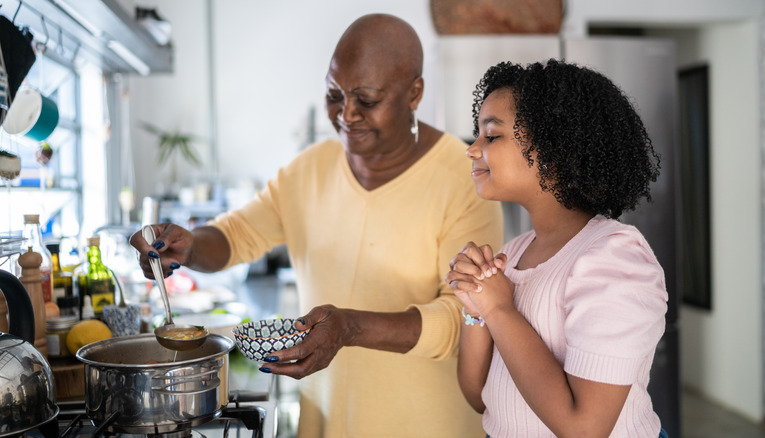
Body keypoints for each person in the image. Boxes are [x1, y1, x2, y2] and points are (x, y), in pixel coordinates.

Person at [130, 13, 503, 438]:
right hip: (324, 423)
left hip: (427, 426)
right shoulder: (308, 170)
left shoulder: (465, 179)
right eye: (334, 94)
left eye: (366, 99)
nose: (346, 114)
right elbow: (236, 235)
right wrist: (190, 246)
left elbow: (466, 317)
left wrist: (350, 328)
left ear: (413, 92)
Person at [445, 59, 669, 438]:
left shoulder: (614, 258)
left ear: (554, 148)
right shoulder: (513, 253)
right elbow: (481, 398)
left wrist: (499, 307)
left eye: (492, 135)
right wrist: (476, 309)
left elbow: (584, 429)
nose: (472, 150)